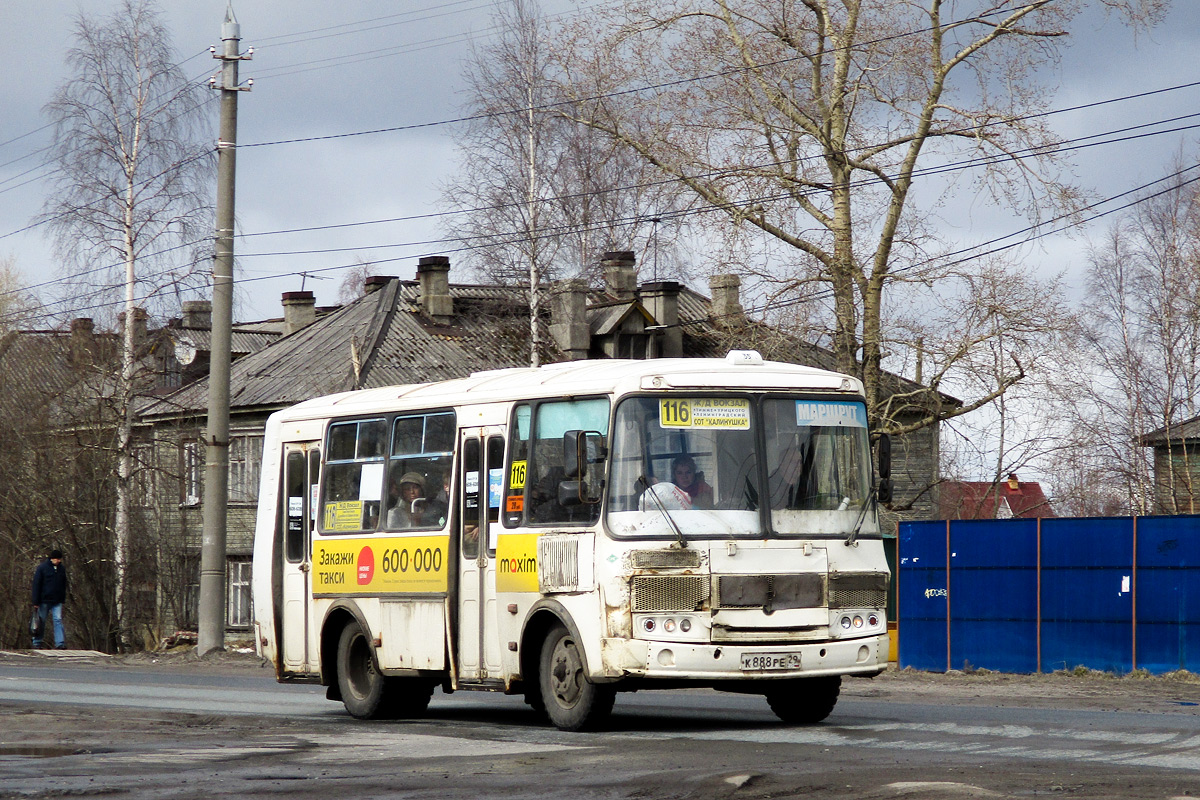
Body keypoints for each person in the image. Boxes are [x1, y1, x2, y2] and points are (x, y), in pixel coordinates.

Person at [31, 549, 68, 650]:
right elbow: (36, 584)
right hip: (44, 600)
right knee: (41, 621)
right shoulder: (42, 568)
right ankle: (37, 642)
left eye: (60, 559)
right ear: (52, 559)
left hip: (57, 600)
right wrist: (35, 601)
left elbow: (64, 584)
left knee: (58, 620)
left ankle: (60, 643)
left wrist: (62, 598)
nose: (59, 561)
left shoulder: (61, 569)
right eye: (57, 559)